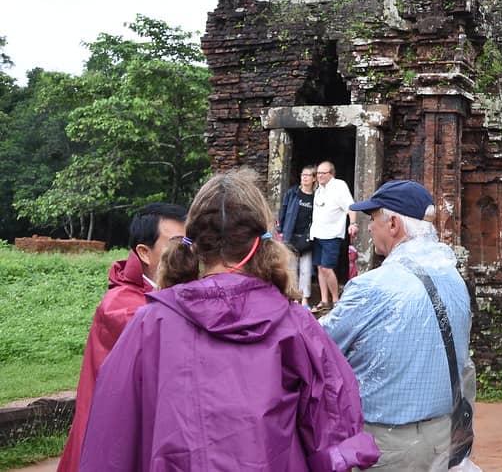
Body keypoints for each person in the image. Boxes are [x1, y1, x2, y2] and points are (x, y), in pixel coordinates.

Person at [79, 168, 380, 472]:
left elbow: (112, 439)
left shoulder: (150, 323)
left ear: (193, 242)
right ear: (258, 243)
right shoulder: (297, 326)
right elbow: (333, 436)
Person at [321, 180, 473, 472]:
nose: (369, 228)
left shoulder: (372, 287)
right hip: (445, 434)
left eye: (373, 219)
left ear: (393, 224)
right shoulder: (455, 280)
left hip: (388, 442)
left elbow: (319, 346)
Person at [57, 203, 186, 472]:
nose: (188, 252)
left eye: (189, 241)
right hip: (114, 438)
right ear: (144, 252)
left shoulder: (165, 294)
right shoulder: (122, 306)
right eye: (177, 243)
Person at [310, 161, 358, 311]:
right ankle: (324, 300)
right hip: (317, 234)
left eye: (322, 173)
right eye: (318, 173)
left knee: (327, 267)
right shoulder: (318, 189)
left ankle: (336, 301)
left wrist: (353, 224)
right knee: (319, 267)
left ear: (331, 174)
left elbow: (350, 207)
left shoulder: (339, 186)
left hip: (331, 235)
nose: (319, 176)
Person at [278, 165, 317, 307]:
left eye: (307, 175)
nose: (304, 178)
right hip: (291, 234)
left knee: (306, 270)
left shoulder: (317, 196)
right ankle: (293, 297)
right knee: (291, 268)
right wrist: (280, 228)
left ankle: (305, 299)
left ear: (314, 178)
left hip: (306, 237)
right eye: (303, 175)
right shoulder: (292, 193)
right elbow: (283, 210)